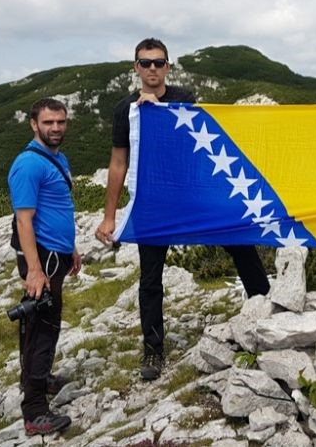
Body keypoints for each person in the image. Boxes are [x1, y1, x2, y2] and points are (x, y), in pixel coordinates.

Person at [95, 38, 271, 380]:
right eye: (145, 63)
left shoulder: (183, 99)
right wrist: (109, 216)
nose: (152, 69)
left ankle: (265, 310)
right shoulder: (124, 110)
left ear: (168, 67)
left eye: (159, 62)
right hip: (153, 203)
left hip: (189, 196)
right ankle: (153, 350)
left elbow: (190, 142)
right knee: (150, 276)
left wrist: (158, 113)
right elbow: (118, 162)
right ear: (136, 67)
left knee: (239, 240)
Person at [8, 97, 82, 435]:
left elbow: (58, 207)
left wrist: (71, 249)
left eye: (60, 122)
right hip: (42, 257)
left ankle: (40, 379)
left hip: (57, 253)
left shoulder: (57, 158)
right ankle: (35, 412)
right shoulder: (28, 164)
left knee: (43, 323)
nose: (55, 128)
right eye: (48, 122)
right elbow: (24, 220)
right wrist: (35, 271)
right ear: (34, 124)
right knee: (43, 328)